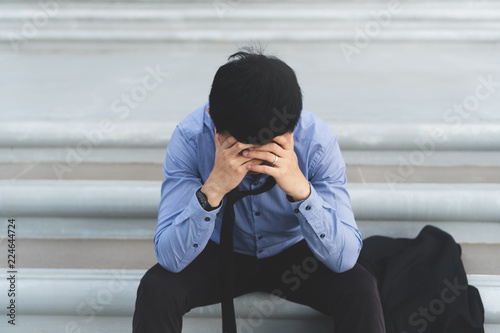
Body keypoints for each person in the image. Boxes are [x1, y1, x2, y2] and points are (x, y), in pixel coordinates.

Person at [132, 48, 385, 333]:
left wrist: (302, 191)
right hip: (218, 249)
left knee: (360, 287)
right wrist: (212, 190)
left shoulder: (316, 141)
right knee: (157, 288)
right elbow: (169, 257)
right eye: (243, 148)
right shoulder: (191, 138)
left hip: (293, 249)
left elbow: (345, 258)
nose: (254, 159)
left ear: (291, 129)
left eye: (267, 147)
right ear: (213, 120)